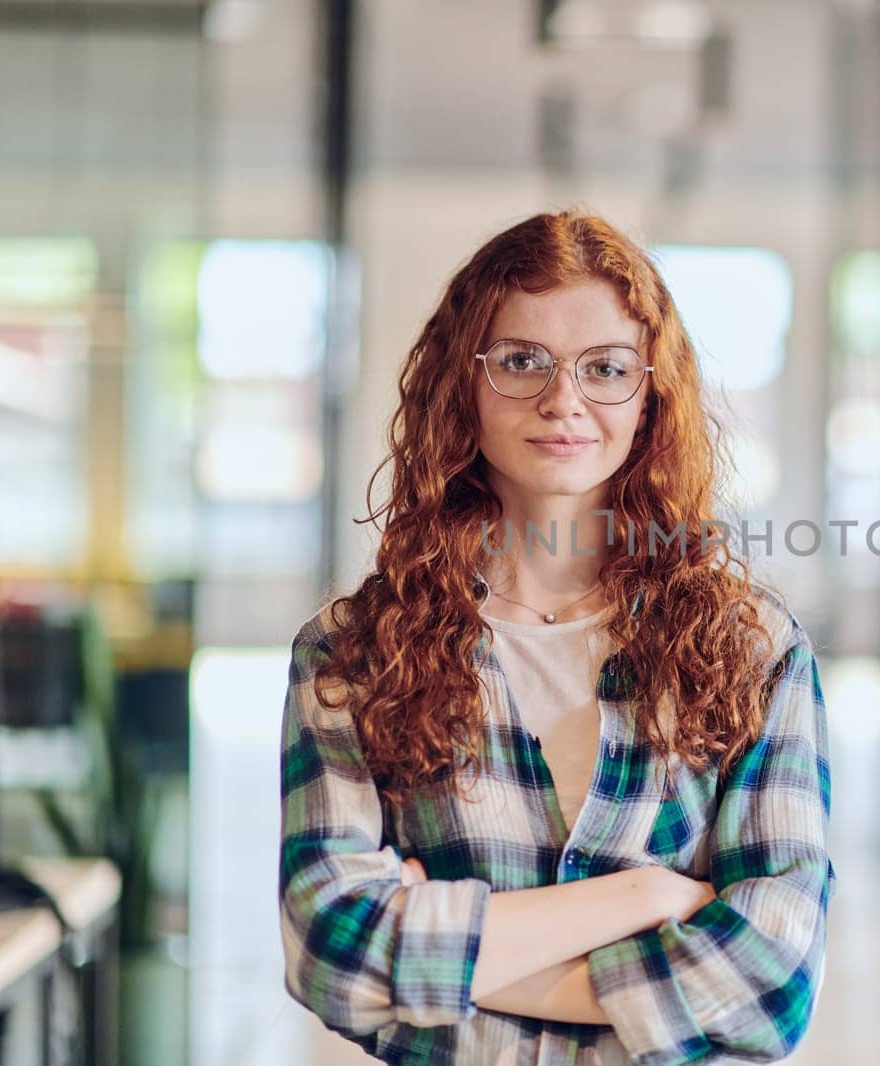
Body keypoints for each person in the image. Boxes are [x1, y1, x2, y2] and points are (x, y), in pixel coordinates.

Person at [277, 211, 835, 1064]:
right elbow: (330, 950)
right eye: (522, 361)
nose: (563, 400)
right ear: (463, 381)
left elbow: (773, 975)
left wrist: (450, 960)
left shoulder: (752, 648)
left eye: (606, 368)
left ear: (652, 396)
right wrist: (646, 897)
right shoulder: (354, 652)